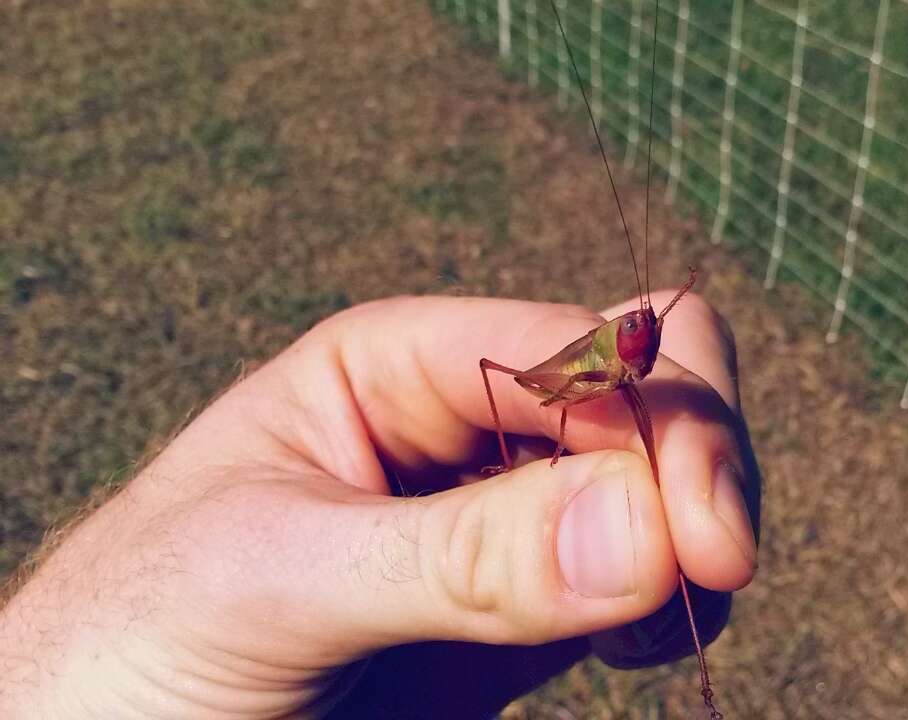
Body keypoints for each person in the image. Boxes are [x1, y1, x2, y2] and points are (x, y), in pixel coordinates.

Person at [0, 291, 760, 718]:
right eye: (638, 332)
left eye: (644, 335)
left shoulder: (635, 349)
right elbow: (563, 389)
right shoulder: (602, 355)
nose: (644, 339)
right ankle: (701, 677)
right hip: (553, 384)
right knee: (598, 434)